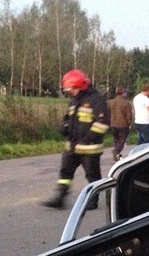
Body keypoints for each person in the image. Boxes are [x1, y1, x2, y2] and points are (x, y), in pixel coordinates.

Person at [42, 69, 110, 209]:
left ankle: (93, 201)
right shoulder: (74, 101)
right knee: (65, 173)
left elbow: (102, 124)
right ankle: (60, 198)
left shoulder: (96, 100)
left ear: (80, 86)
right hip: (72, 147)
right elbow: (69, 119)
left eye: (71, 89)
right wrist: (65, 127)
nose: (70, 92)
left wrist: (86, 139)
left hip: (89, 148)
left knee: (92, 176)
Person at [108, 87, 133, 161]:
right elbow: (129, 115)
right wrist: (129, 124)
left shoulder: (111, 102)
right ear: (123, 94)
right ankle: (116, 151)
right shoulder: (126, 103)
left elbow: (108, 113)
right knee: (122, 140)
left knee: (116, 140)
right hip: (123, 124)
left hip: (113, 124)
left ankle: (117, 156)